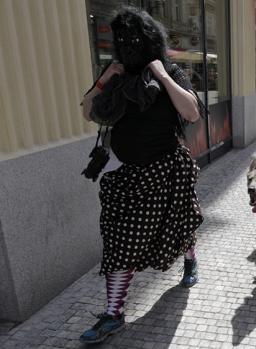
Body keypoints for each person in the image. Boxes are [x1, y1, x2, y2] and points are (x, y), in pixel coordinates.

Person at [78, 8, 204, 344]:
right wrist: (106, 79)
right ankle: (113, 313)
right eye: (121, 40)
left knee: (178, 224)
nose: (127, 45)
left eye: (134, 39)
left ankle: (190, 260)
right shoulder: (116, 74)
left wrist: (162, 76)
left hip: (166, 170)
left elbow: (192, 112)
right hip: (128, 175)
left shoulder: (171, 71)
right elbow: (88, 111)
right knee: (121, 241)